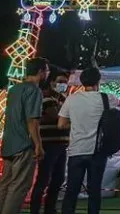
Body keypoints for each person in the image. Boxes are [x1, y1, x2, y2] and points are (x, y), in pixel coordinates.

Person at [58, 67, 120, 214]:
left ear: (82, 82)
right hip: (97, 151)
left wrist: (78, 123)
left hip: (76, 150)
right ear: (98, 81)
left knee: (72, 190)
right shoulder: (106, 98)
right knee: (94, 191)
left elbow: (61, 124)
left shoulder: (72, 99)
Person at [0, 57, 49, 214]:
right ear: (41, 72)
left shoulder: (14, 90)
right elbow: (32, 121)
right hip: (24, 145)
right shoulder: (34, 90)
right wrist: (38, 145)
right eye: (47, 71)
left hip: (8, 143)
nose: (47, 74)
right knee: (19, 186)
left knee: (5, 184)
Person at [30, 69, 70, 214]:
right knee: (43, 179)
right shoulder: (46, 97)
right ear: (52, 82)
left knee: (58, 179)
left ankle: (50, 209)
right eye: (60, 82)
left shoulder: (63, 99)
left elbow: (64, 118)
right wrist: (68, 119)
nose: (63, 85)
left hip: (61, 144)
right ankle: (34, 209)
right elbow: (57, 117)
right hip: (49, 143)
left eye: (65, 82)